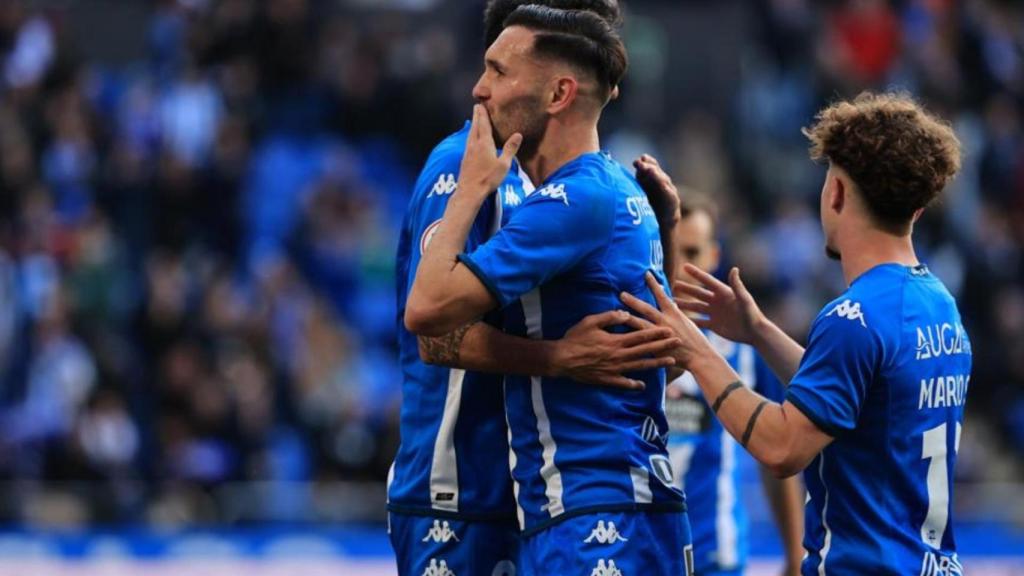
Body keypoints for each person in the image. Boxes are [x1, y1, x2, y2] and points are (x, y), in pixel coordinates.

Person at [621, 92, 968, 575]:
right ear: (917, 208)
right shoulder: (939, 306)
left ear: (837, 193)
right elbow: (857, 399)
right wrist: (759, 331)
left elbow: (782, 447)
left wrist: (695, 348)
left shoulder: (854, 316)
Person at [390, 3, 681, 575]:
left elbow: (649, 344)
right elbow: (430, 330)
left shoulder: (569, 187)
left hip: (548, 496)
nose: (479, 89)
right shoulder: (463, 167)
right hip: (460, 490)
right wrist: (557, 358)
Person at [655, 185, 804, 575]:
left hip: (715, 556)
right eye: (672, 250)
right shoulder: (629, 338)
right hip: (641, 551)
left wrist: (793, 556)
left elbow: (778, 459)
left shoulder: (745, 351)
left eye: (692, 253)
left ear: (713, 257)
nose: (680, 268)